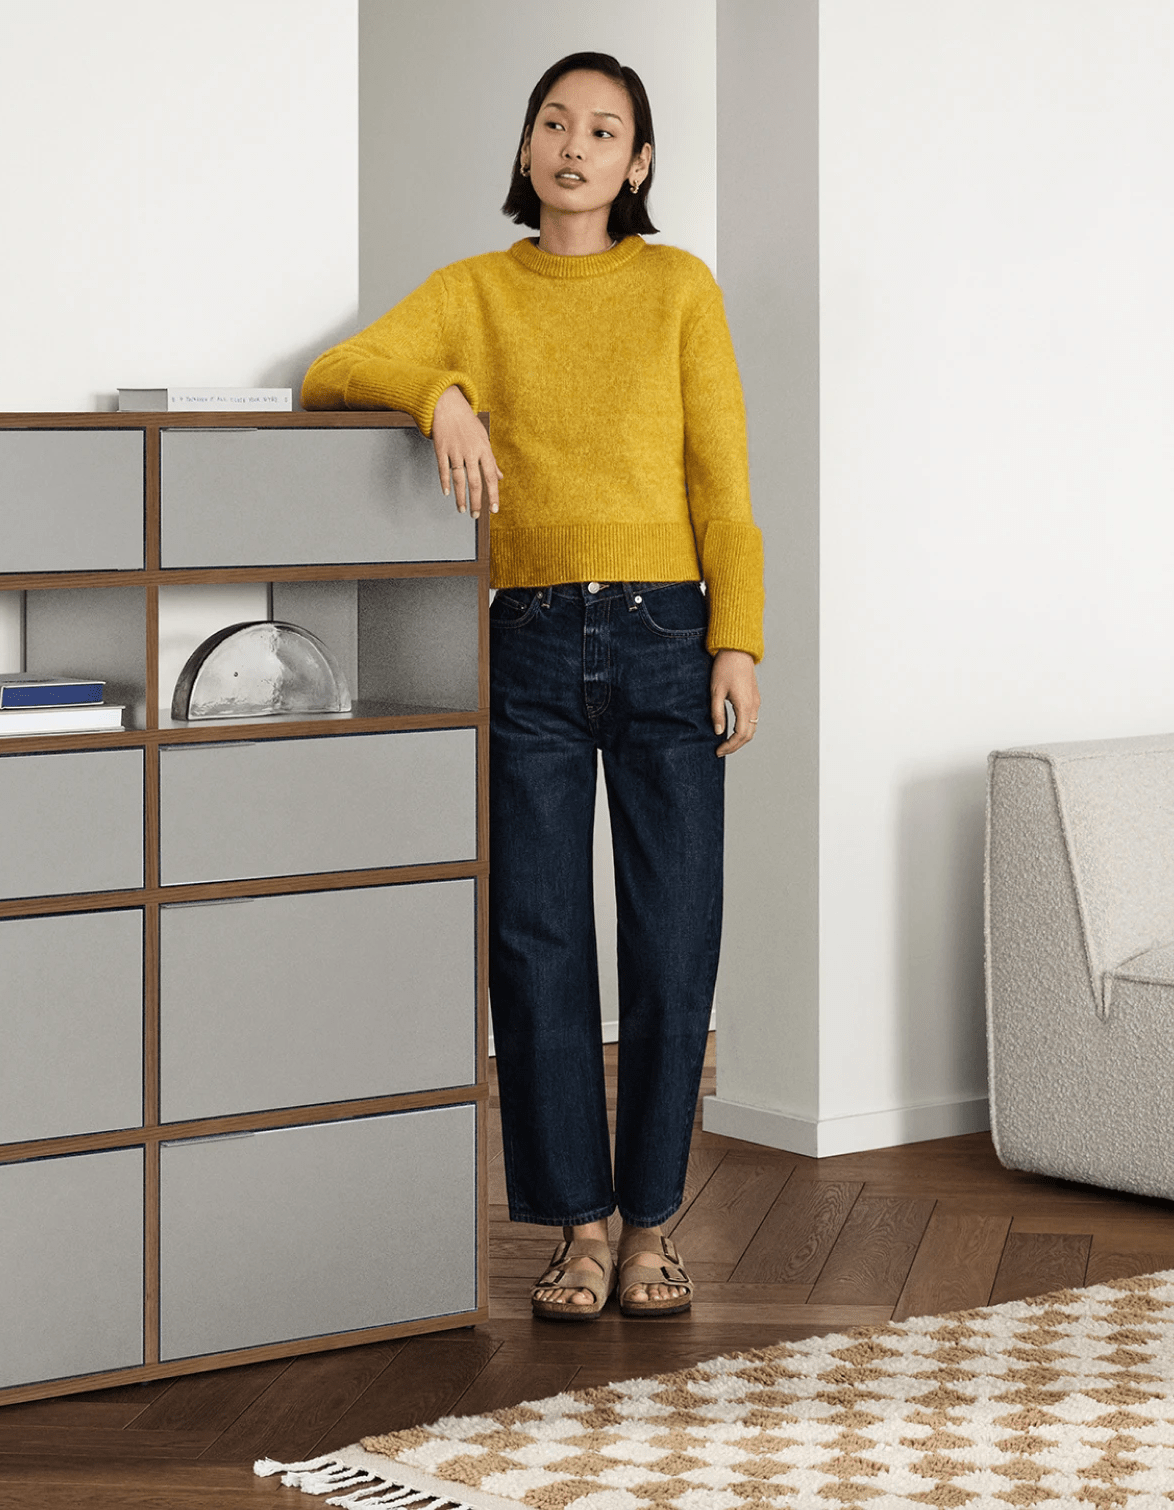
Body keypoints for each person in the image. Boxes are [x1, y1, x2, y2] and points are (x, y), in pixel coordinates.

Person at [303, 52, 761, 1319]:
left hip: (669, 634)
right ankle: (577, 1225)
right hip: (530, 642)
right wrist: (440, 393)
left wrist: (739, 640)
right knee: (537, 940)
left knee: (673, 937)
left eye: (603, 129)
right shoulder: (471, 292)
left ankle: (656, 1220)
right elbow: (335, 371)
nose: (574, 146)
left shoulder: (678, 288)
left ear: (639, 162)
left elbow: (721, 482)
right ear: (523, 150)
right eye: (552, 123)